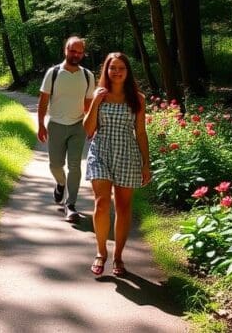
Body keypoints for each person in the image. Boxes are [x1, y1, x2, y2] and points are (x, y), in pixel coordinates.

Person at [83, 52, 151, 276]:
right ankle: (101, 253)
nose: (117, 72)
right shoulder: (99, 95)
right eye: (113, 68)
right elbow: (89, 129)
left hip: (127, 154)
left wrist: (145, 163)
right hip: (100, 151)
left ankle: (119, 257)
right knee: (102, 203)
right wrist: (95, 102)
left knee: (122, 207)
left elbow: (140, 132)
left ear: (127, 71)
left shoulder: (137, 99)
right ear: (107, 71)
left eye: (121, 68)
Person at [38, 36, 95, 223]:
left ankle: (70, 205)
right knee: (55, 164)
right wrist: (40, 124)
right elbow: (43, 101)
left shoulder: (87, 76)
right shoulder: (53, 73)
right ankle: (60, 183)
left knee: (75, 166)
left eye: (79, 52)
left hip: (78, 126)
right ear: (65, 50)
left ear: (83, 53)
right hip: (55, 125)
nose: (76, 55)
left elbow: (88, 104)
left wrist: (90, 125)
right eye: (73, 51)